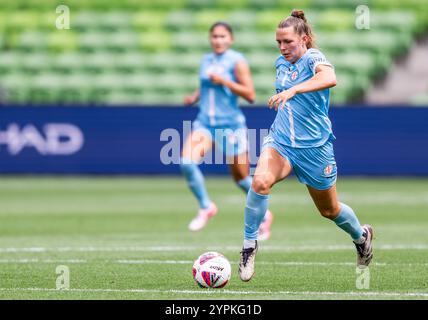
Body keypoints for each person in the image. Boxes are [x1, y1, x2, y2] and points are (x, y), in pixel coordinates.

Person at [238, 10, 374, 282]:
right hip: (281, 142)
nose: (282, 47)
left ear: (305, 39)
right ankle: (248, 245)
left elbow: (329, 79)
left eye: (288, 41)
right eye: (278, 42)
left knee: (329, 210)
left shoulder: (314, 58)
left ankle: (361, 236)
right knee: (260, 182)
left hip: (315, 148)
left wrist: (294, 90)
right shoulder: (281, 63)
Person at [180, 22, 273, 240]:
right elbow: (205, 85)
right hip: (205, 123)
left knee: (241, 178)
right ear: (210, 39)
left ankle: (265, 215)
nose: (218, 40)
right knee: (186, 162)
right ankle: (206, 207)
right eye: (214, 36)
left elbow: (250, 94)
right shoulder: (206, 60)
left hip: (230, 125)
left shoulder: (237, 61)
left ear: (230, 39)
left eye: (222, 36)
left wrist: (224, 81)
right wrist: (195, 97)